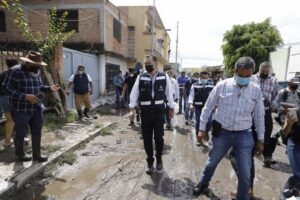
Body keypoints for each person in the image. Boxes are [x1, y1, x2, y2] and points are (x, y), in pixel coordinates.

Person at [193, 57, 265, 200]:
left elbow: (259, 116)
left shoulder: (256, 90)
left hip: (244, 135)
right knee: (211, 162)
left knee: (245, 173)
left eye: (248, 76)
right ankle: (203, 183)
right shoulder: (222, 86)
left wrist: (261, 139)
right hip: (222, 133)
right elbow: (207, 108)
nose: (244, 78)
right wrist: (201, 129)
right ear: (234, 71)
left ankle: (242, 197)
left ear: (252, 74)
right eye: (241, 75)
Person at [3, 51, 60, 162]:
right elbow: (6, 88)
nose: (38, 67)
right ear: (28, 63)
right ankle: (20, 154)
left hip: (36, 108)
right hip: (21, 109)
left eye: (39, 65)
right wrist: (24, 96)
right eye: (36, 64)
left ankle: (37, 155)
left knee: (37, 130)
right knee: (21, 131)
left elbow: (40, 87)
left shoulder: (36, 72)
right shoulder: (15, 71)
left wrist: (50, 88)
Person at [129, 55, 174, 175]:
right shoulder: (141, 77)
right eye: (145, 64)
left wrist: (171, 107)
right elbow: (134, 94)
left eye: (149, 63)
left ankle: (159, 159)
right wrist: (132, 109)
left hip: (159, 112)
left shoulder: (164, 77)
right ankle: (150, 162)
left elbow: (169, 94)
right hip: (146, 113)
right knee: (147, 139)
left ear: (155, 64)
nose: (147, 66)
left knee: (159, 138)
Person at [251, 61, 278, 165]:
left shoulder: (273, 80)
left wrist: (272, 105)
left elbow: (275, 94)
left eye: (267, 72)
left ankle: (266, 155)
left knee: (267, 131)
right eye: (263, 71)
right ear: (259, 69)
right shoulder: (252, 78)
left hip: (266, 111)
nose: (265, 73)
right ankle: (252, 151)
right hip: (251, 111)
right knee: (251, 130)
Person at [189, 71, 214, 144]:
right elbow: (191, 95)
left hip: (208, 108)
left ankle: (205, 132)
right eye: (203, 78)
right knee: (199, 123)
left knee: (209, 122)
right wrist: (191, 104)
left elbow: (214, 96)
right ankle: (199, 138)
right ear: (200, 77)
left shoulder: (211, 85)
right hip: (198, 107)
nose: (205, 79)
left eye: (206, 78)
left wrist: (216, 105)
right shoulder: (194, 85)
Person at [280, 110, 300, 197]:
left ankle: (294, 192)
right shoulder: (295, 113)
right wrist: (289, 124)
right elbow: (284, 133)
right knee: (298, 173)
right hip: (294, 145)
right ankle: (285, 195)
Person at [0, 58, 18, 149]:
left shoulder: (2, 74)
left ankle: (8, 141)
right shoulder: (17, 73)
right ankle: (13, 140)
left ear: (7, 64)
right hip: (13, 98)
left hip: (3, 97)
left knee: (10, 120)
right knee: (16, 119)